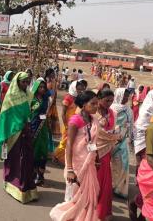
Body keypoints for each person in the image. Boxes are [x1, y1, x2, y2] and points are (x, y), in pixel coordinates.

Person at [49, 91, 100, 221]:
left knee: (89, 197)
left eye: (97, 103)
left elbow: (93, 142)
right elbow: (69, 146)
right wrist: (70, 169)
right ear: (83, 104)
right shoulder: (75, 120)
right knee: (74, 197)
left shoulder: (94, 120)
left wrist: (97, 158)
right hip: (77, 165)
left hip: (89, 163)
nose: (96, 106)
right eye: (93, 104)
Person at [0, 72, 38, 204]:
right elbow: (6, 116)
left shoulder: (28, 94)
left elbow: (33, 106)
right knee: (17, 159)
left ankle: (27, 187)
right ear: (17, 82)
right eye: (23, 82)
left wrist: (33, 109)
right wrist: (21, 124)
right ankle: (14, 184)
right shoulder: (11, 97)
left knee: (28, 159)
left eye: (27, 82)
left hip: (26, 132)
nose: (25, 84)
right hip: (15, 133)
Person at [95, 89, 120, 221]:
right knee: (93, 183)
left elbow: (113, 130)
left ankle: (102, 211)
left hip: (106, 152)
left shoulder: (112, 113)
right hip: (94, 151)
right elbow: (91, 134)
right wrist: (114, 136)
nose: (109, 103)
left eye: (111, 100)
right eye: (107, 100)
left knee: (105, 184)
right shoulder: (92, 112)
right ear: (99, 99)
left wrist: (114, 135)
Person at [52, 80, 86, 165]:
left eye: (81, 89)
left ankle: (64, 158)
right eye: (78, 89)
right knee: (64, 142)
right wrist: (66, 125)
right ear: (73, 88)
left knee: (72, 142)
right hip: (68, 124)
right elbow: (63, 113)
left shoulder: (79, 98)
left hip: (76, 124)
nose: (79, 91)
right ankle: (56, 155)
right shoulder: (68, 98)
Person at [111, 88, 133, 198]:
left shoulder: (128, 109)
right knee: (110, 163)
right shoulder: (112, 109)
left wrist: (129, 136)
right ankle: (109, 184)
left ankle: (119, 187)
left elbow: (131, 124)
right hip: (111, 139)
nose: (126, 98)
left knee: (122, 162)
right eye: (124, 96)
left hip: (123, 139)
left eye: (127, 96)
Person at [30, 78, 49, 186]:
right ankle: (34, 173)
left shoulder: (46, 100)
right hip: (33, 126)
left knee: (43, 151)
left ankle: (41, 175)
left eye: (44, 87)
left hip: (43, 127)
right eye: (40, 87)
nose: (42, 89)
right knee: (34, 151)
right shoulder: (31, 99)